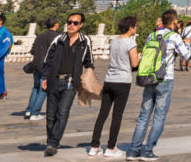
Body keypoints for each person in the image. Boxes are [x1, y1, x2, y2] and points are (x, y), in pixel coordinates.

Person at [124, 9, 190, 161]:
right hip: (165, 79)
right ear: (174, 22)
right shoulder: (174, 37)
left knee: (143, 116)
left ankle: (133, 150)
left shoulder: (151, 35)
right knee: (159, 117)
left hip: (149, 78)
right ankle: (147, 151)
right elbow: (186, 56)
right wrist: (188, 44)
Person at [39, 12, 95, 157]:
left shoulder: (85, 41)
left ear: (81, 25)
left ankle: (53, 143)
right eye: (69, 22)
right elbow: (47, 60)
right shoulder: (59, 39)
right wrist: (45, 77)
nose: (71, 25)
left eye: (75, 23)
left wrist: (88, 75)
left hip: (71, 82)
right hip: (53, 80)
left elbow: (90, 62)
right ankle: (51, 139)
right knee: (51, 115)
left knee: (63, 113)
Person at [90, 16, 139, 158]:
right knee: (117, 116)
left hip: (109, 80)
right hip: (123, 81)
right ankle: (111, 147)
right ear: (130, 27)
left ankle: (94, 146)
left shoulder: (114, 41)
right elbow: (134, 63)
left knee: (102, 114)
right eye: (135, 26)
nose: (136, 29)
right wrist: (140, 57)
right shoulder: (130, 43)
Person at [23, 18, 61, 120]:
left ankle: (29, 110)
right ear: (56, 25)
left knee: (36, 88)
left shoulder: (40, 35)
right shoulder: (57, 37)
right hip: (46, 66)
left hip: (36, 65)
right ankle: (35, 113)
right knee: (44, 89)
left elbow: (33, 50)